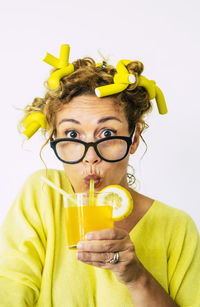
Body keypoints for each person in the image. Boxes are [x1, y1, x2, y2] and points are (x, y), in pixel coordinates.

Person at [0, 44, 199, 307]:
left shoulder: (176, 227)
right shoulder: (43, 193)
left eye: (107, 134)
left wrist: (136, 277)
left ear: (134, 138)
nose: (90, 156)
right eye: (72, 135)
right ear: (56, 139)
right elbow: (11, 286)